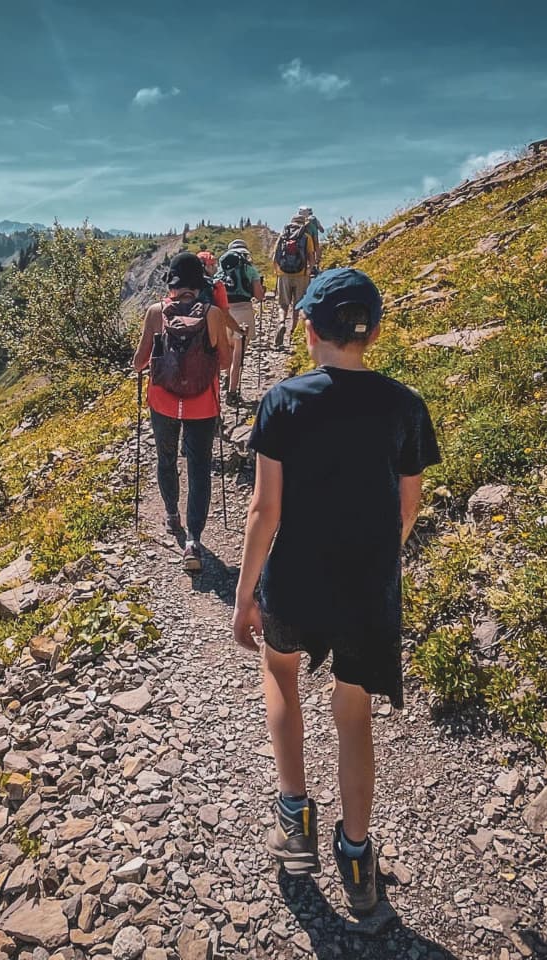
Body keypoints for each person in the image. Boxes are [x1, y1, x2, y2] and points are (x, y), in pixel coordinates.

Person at [231, 268, 441, 917]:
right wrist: (373, 560)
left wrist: (243, 598)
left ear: (307, 327)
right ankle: (356, 854)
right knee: (353, 715)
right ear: (374, 331)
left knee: (280, 674)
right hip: (364, 586)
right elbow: (408, 507)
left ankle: (294, 817)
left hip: (293, 578)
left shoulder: (285, 401)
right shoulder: (405, 405)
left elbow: (264, 510)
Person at [133, 251, 231, 572]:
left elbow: (139, 362)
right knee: (199, 466)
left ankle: (172, 514)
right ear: (199, 283)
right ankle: (193, 540)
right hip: (202, 403)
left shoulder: (155, 312)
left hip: (162, 401)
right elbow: (226, 362)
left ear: (172, 282)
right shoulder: (213, 314)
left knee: (166, 458)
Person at [216, 238, 265, 405]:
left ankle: (226, 379)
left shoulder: (221, 269)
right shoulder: (250, 269)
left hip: (223, 313)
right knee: (238, 355)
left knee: (227, 349)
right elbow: (259, 296)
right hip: (243, 311)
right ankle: (232, 392)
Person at [271, 217, 315, 349]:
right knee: (298, 305)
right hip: (301, 275)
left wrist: (277, 271)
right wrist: (309, 270)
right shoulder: (306, 236)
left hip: (284, 274)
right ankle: (293, 335)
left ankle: (281, 323)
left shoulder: (283, 236)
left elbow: (275, 256)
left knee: (283, 304)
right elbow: (311, 258)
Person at [298, 205, 325, 270]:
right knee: (315, 249)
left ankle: (308, 266)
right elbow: (322, 230)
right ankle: (316, 264)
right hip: (314, 239)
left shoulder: (299, 221)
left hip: (305, 240)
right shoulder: (314, 219)